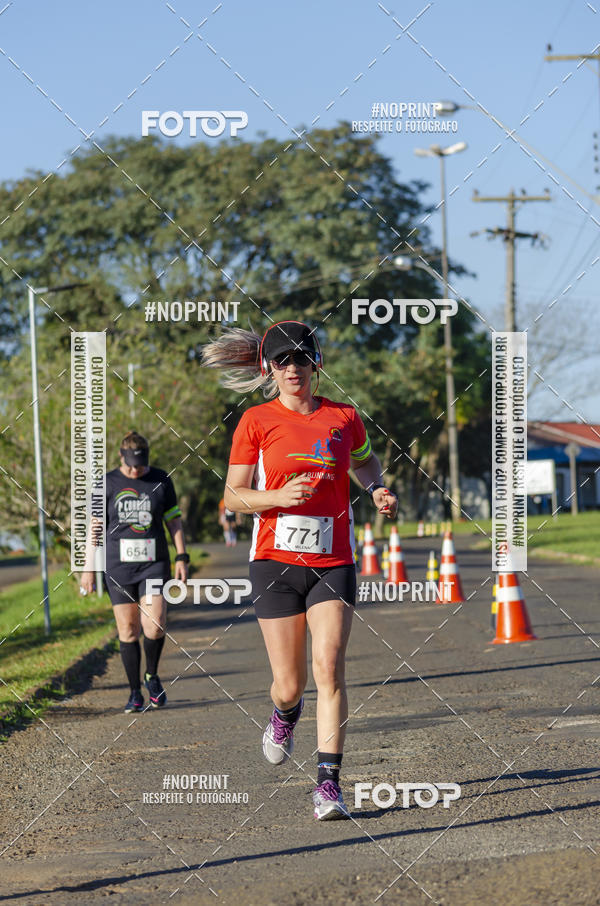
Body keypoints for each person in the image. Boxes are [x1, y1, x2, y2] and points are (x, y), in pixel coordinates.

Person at [202, 321, 397, 819]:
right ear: (270, 368)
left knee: (328, 668)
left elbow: (365, 462)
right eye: (283, 360)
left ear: (316, 364)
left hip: (334, 561)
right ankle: (285, 713)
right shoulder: (255, 421)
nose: (293, 368)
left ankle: (328, 784)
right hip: (275, 562)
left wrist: (376, 488)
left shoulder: (344, 417)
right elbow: (233, 497)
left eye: (302, 359)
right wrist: (278, 497)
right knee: (289, 684)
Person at [80, 431, 189, 713]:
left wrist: (182, 556)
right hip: (119, 567)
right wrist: (88, 568)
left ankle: (151, 675)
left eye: (140, 465)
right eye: (130, 465)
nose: (135, 470)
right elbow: (95, 528)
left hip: (154, 564)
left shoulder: (161, 480)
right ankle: (134, 692)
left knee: (155, 624)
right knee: (128, 629)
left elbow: (174, 521)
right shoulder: (106, 484)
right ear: (121, 457)